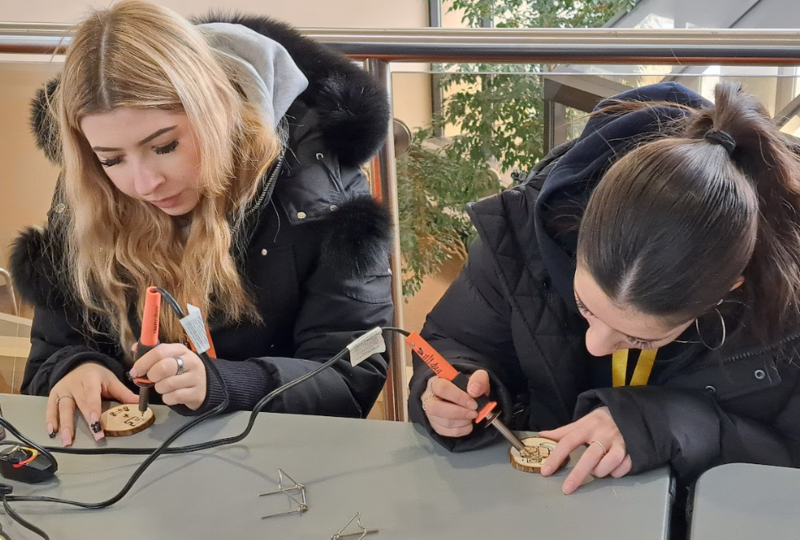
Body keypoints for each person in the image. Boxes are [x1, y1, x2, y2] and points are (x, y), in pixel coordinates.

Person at [11, 0, 393, 447]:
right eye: (112, 158)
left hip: (274, 464)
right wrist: (76, 367)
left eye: (165, 145)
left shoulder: (318, 189)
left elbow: (349, 378)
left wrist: (226, 384)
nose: (143, 183)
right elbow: (54, 350)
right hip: (128, 470)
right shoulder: (91, 190)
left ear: (215, 110)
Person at [408, 81, 800, 501]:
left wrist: (668, 425)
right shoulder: (521, 235)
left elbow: (786, 457)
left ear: (727, 289)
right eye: (584, 308)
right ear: (580, 229)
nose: (597, 346)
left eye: (638, 338)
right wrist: (450, 384)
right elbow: (456, 340)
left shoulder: (785, 305)